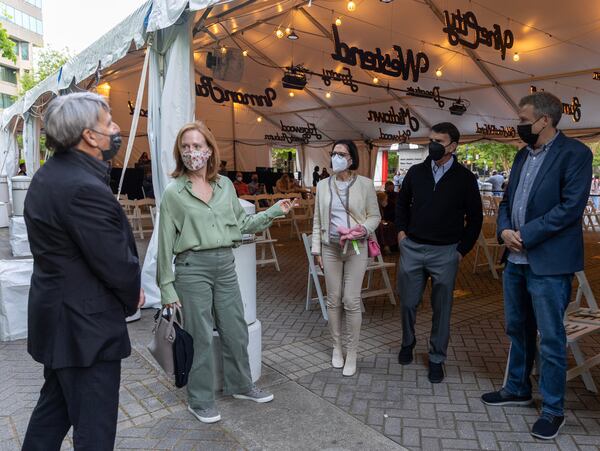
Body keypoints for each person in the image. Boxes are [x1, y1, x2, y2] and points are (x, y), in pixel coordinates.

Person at [22, 92, 144, 451]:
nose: (116, 129)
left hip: (62, 325)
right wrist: (131, 294)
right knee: (94, 430)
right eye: (108, 123)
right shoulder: (82, 188)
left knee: (51, 415)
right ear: (89, 135)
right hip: (84, 329)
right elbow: (114, 263)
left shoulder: (49, 176)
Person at [157, 122, 295, 424]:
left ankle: (242, 385)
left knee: (235, 328)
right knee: (201, 336)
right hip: (192, 268)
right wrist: (166, 288)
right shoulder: (173, 193)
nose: (192, 152)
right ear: (180, 153)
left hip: (225, 264)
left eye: (197, 146)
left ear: (209, 150)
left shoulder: (225, 186)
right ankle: (200, 399)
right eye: (186, 147)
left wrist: (272, 211)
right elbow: (165, 244)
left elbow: (241, 226)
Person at [481, 92, 593, 440]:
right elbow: (508, 201)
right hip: (515, 260)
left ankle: (554, 409)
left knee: (551, 338)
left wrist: (525, 234)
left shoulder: (576, 154)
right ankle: (517, 388)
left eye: (524, 118)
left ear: (545, 120)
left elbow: (570, 209)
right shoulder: (520, 156)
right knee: (518, 330)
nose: (519, 125)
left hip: (549, 263)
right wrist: (503, 231)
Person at [395, 122, 482, 384]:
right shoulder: (416, 172)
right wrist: (401, 234)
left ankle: (436, 358)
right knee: (408, 302)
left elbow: (475, 219)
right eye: (430, 140)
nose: (432, 145)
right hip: (412, 247)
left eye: (439, 141)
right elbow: (401, 203)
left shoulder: (465, 178)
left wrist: (461, 251)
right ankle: (408, 343)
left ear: (453, 146)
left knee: (442, 308)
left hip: (446, 252)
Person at [311, 140, 381, 377]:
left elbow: (375, 216)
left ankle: (352, 353)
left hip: (356, 248)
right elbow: (317, 220)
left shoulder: (365, 184)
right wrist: (316, 250)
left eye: (341, 154)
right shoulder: (322, 185)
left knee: (351, 300)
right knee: (333, 300)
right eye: (333, 154)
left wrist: (362, 230)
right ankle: (337, 348)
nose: (336, 158)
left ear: (351, 159)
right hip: (330, 248)